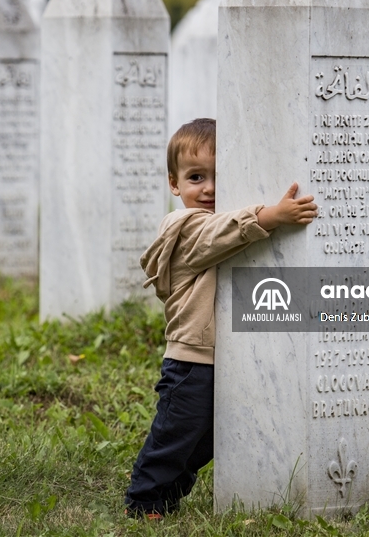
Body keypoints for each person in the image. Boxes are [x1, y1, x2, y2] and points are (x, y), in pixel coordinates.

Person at [124, 117, 317, 519]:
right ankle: (144, 499)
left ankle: (169, 494)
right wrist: (272, 215)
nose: (209, 188)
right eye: (196, 177)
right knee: (176, 433)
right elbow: (221, 233)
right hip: (191, 360)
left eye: (218, 175)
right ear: (174, 184)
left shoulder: (205, 219)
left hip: (220, 357)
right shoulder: (184, 227)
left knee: (209, 438)